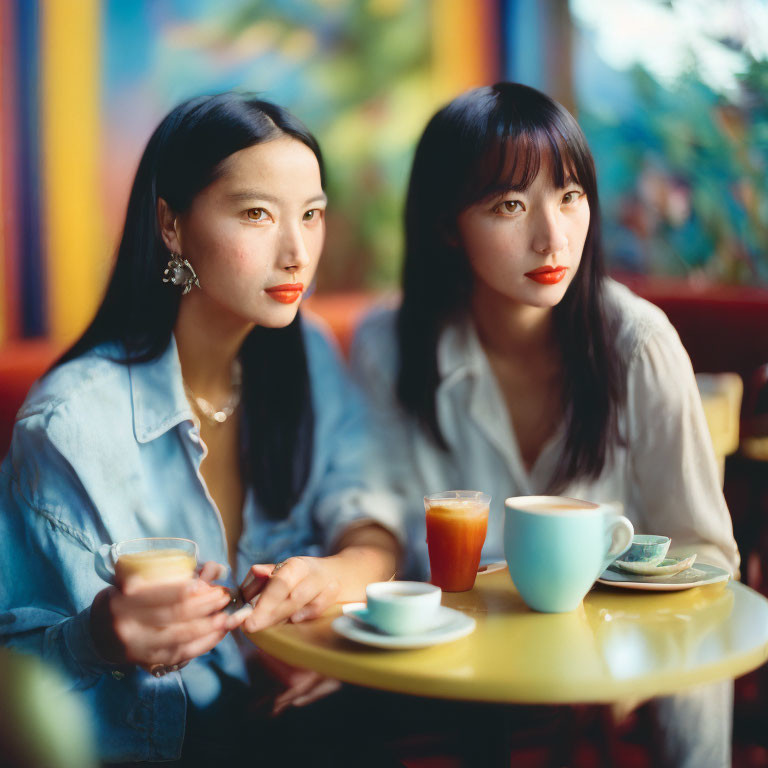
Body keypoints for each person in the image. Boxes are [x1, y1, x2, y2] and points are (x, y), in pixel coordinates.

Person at [0, 93, 402, 765]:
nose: (297, 251)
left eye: (312, 215)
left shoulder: (306, 352)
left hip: (302, 724)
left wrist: (333, 581)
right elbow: (17, 667)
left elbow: (369, 514)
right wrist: (99, 637)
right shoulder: (71, 425)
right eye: (257, 215)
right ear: (171, 226)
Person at [351, 82, 739, 768]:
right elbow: (376, 518)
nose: (552, 235)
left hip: (614, 653)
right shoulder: (390, 345)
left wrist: (635, 668)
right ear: (447, 224)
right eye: (509, 205)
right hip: (449, 656)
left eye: (570, 196)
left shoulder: (637, 344)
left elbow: (705, 557)